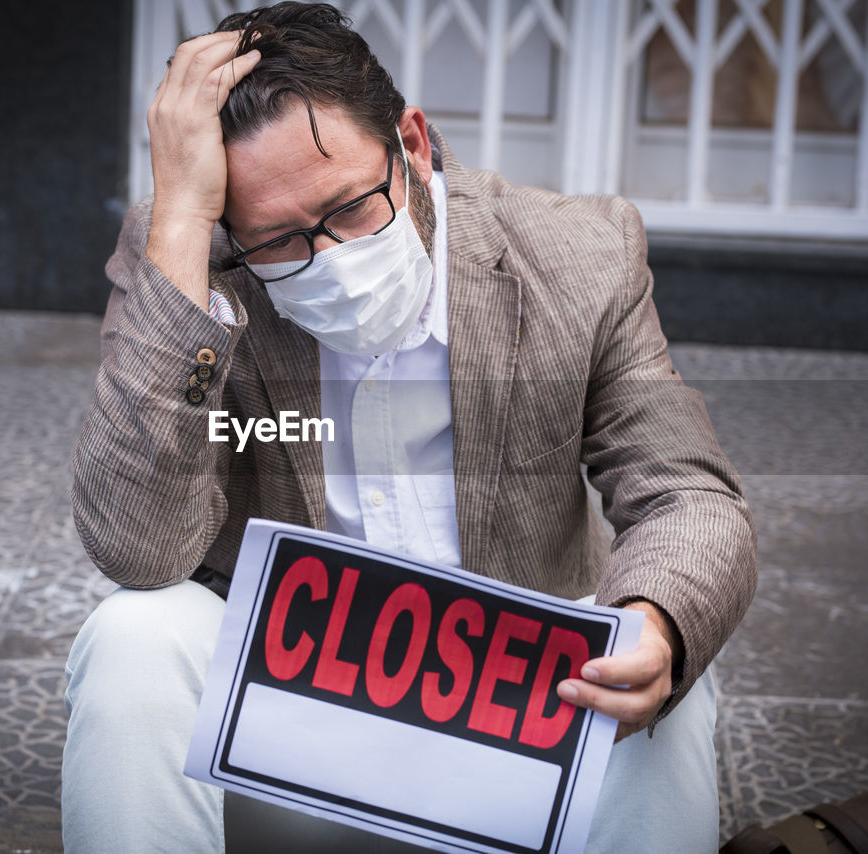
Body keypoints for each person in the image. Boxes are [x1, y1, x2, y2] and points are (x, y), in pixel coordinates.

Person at [63, 3, 757, 852]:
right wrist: (179, 227)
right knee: (135, 634)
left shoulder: (576, 254)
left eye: (350, 207)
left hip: (516, 736)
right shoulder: (192, 259)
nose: (331, 260)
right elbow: (137, 548)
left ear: (413, 143)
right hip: (285, 742)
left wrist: (657, 623)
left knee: (664, 682)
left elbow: (687, 491)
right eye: (278, 241)